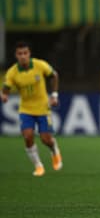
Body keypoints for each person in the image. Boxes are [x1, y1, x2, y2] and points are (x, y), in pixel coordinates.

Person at [0, 41, 63, 177]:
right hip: (26, 109)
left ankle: (54, 150)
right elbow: (6, 88)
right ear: (16, 55)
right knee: (28, 136)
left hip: (42, 108)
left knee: (46, 139)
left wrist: (54, 95)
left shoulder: (39, 65)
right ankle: (38, 166)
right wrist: (4, 95)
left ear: (29, 54)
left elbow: (54, 75)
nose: (23, 56)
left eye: (25, 53)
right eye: (19, 54)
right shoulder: (12, 72)